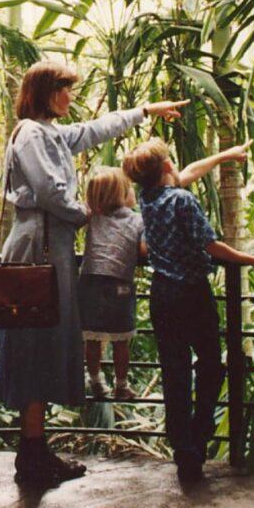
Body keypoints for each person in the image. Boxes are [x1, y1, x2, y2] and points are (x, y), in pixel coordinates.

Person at [0, 59, 188, 485]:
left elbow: (96, 129)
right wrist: (89, 214)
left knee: (45, 346)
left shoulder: (52, 134)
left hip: (50, 248)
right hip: (37, 250)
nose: (71, 97)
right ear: (45, 91)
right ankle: (31, 456)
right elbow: (50, 191)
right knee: (34, 346)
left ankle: (35, 452)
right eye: (65, 89)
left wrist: (146, 112)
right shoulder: (30, 133)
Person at [123, 137, 254, 485]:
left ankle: (185, 451)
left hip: (162, 295)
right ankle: (200, 432)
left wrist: (226, 155)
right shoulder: (182, 200)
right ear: (167, 167)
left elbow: (189, 172)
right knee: (210, 364)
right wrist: (253, 260)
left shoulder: (149, 198)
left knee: (175, 372)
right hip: (192, 294)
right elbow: (210, 245)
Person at [78, 167, 147, 401]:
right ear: (121, 194)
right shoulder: (138, 219)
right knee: (121, 339)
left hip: (89, 282)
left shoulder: (93, 217)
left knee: (93, 337)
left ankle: (95, 380)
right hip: (119, 283)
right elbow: (145, 250)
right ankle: (121, 385)